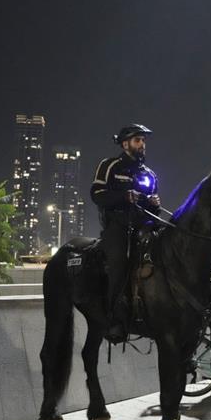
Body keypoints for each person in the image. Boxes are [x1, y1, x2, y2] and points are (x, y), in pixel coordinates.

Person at [90, 123, 160, 342]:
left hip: (144, 226)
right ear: (125, 143)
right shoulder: (110, 165)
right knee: (120, 262)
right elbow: (97, 194)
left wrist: (155, 204)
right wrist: (123, 196)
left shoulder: (150, 174)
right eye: (138, 140)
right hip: (117, 227)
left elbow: (153, 206)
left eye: (144, 141)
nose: (142, 144)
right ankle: (114, 320)